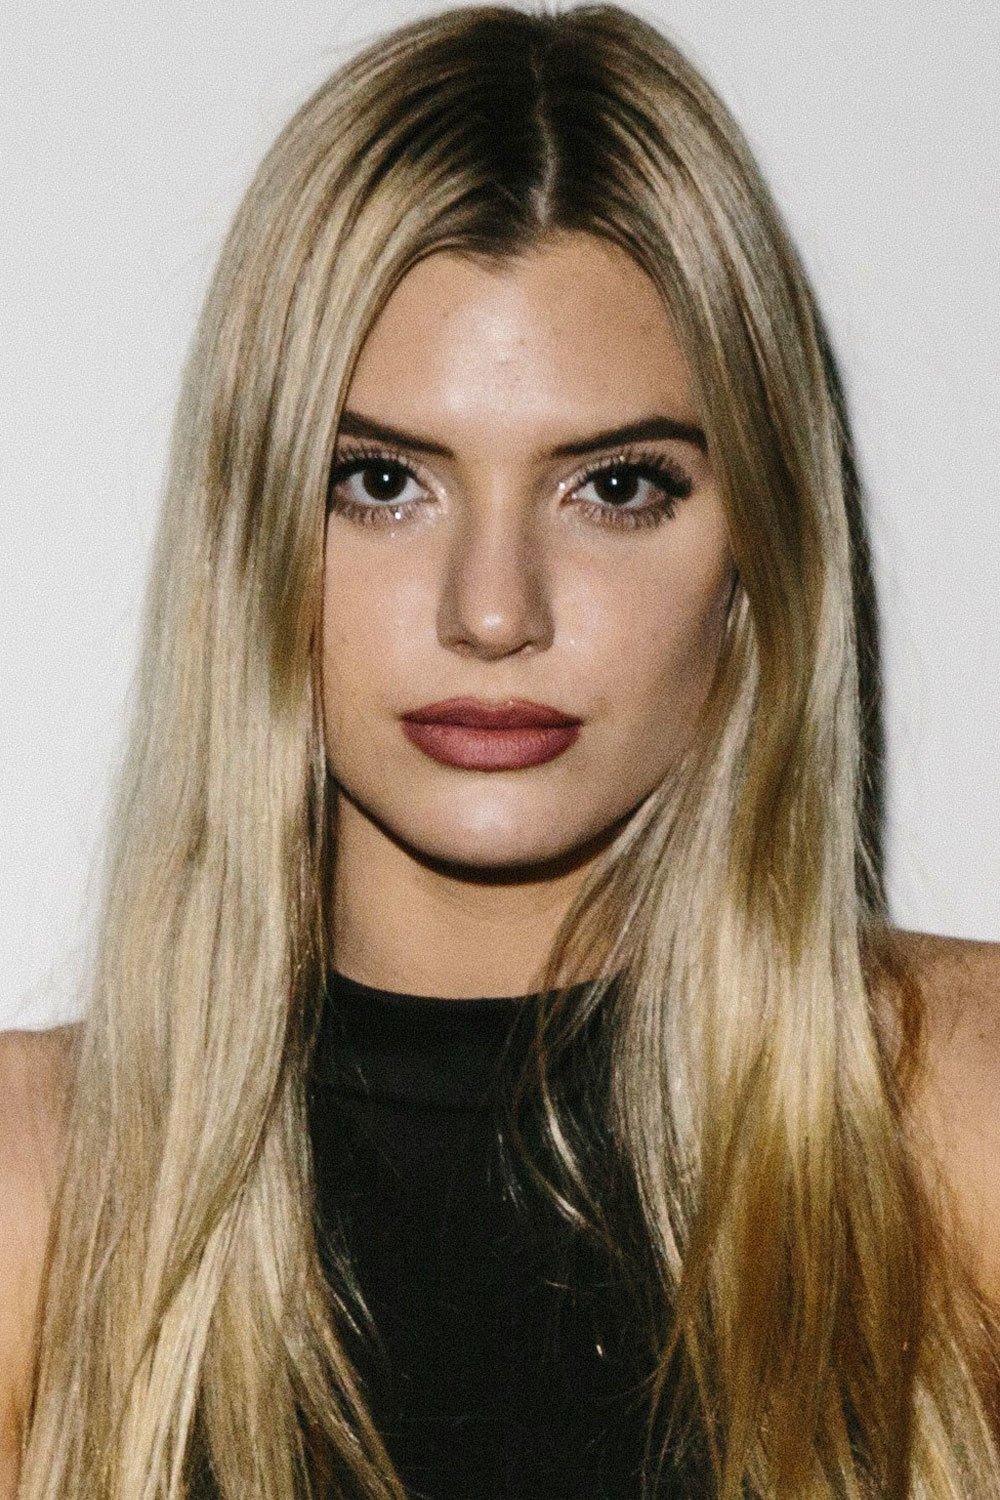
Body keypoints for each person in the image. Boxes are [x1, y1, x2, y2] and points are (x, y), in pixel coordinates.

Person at [2, 3, 998, 1496]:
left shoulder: (964, 1120)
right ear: (252, 527)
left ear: (762, 550)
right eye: (380, 481)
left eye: (616, 486)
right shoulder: (34, 1203)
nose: (491, 611)